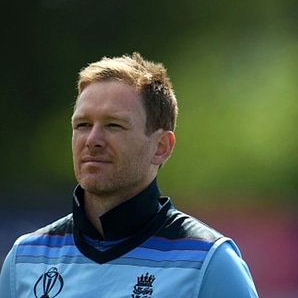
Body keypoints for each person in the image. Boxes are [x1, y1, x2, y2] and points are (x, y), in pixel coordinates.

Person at [0, 52, 258, 297]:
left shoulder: (208, 262)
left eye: (114, 125)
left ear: (161, 148)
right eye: (83, 125)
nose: (92, 140)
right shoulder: (24, 259)